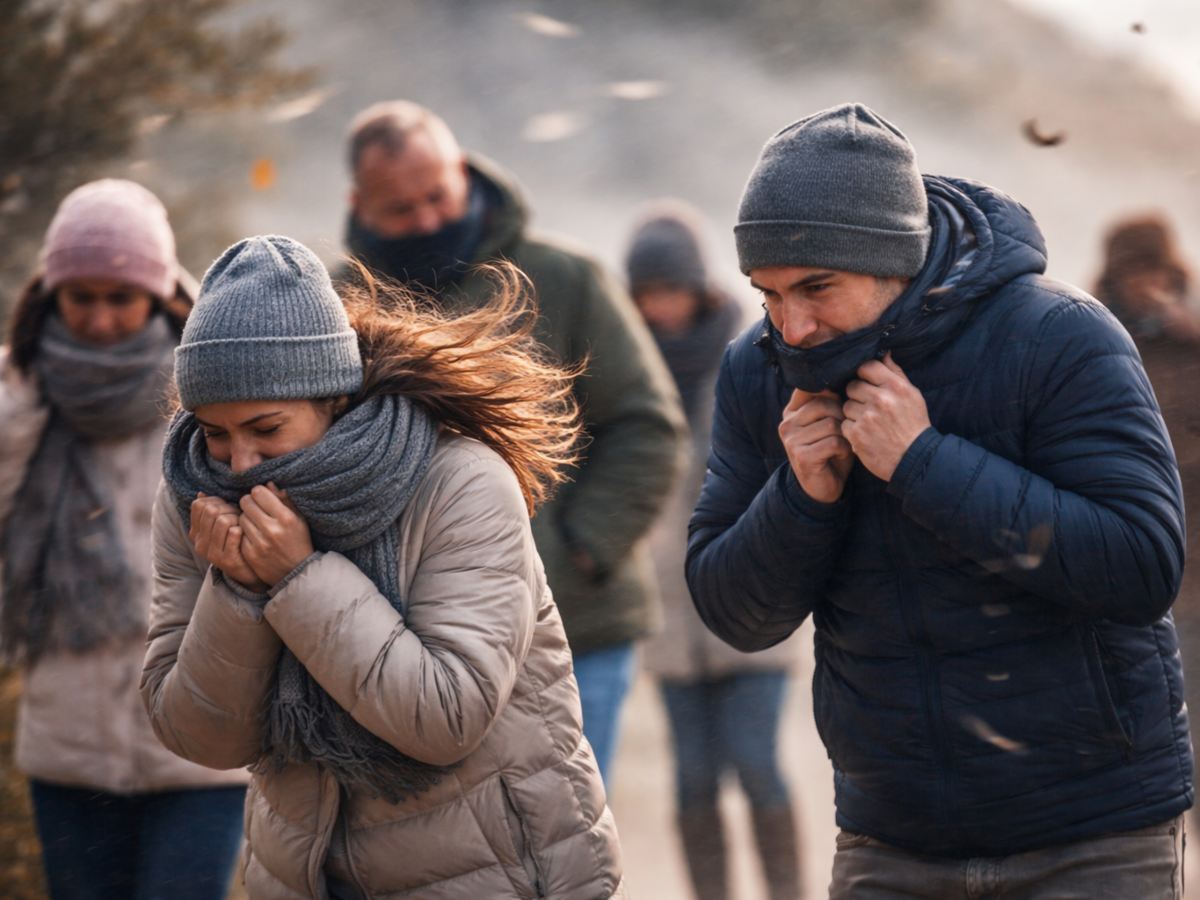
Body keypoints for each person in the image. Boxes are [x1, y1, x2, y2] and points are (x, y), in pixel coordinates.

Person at [686, 104, 1192, 898]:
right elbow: (735, 615)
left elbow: (1141, 566)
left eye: (817, 287)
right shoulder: (758, 371)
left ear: (895, 258)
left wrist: (923, 463)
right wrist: (801, 496)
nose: (794, 324)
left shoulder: (1060, 336)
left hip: (1093, 832)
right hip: (891, 839)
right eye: (768, 293)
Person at [140, 235, 625, 899]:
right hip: (305, 874)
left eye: (266, 428)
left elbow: (447, 715)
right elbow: (199, 735)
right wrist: (239, 590)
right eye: (216, 434)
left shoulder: (459, 481)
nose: (241, 464)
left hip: (491, 870)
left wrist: (298, 577)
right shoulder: (196, 495)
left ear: (333, 398)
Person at [342, 100, 686, 784]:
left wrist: (577, 549)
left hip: (575, 629)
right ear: (360, 204)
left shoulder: (563, 276)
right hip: (414, 646)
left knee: (569, 845)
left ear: (463, 171)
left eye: (438, 195)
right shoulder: (340, 302)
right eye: (402, 209)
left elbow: (647, 426)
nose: (428, 221)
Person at [0, 179, 247, 900]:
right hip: (69, 752)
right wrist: (22, 398)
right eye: (82, 296)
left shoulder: (216, 391)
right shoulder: (20, 395)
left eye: (121, 297)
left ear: (159, 296)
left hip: (203, 747)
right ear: (51, 294)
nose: (101, 318)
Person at [624, 202, 802, 900]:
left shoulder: (755, 352)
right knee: (693, 777)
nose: (660, 306)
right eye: (646, 294)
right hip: (670, 612)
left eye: (669, 289)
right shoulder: (628, 369)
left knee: (756, 763)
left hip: (758, 605)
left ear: (698, 285)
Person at [1093, 213, 1200, 836]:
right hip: (1125, 557)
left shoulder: (1191, 338)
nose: (1146, 285)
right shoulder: (1097, 338)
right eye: (1135, 272)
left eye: (1154, 271)